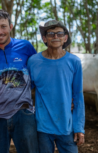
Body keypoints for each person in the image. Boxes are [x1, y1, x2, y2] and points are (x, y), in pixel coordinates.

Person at [0, 9, 39, 153]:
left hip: (24, 114)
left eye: (3, 26)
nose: (0, 31)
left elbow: (37, 77)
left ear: (10, 27)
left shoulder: (26, 47)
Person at [27, 20, 85, 153]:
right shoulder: (33, 61)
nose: (55, 37)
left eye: (59, 33)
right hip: (42, 127)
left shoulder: (74, 62)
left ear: (65, 38)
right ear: (44, 38)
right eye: (51, 33)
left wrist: (79, 128)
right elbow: (26, 91)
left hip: (66, 126)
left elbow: (78, 96)